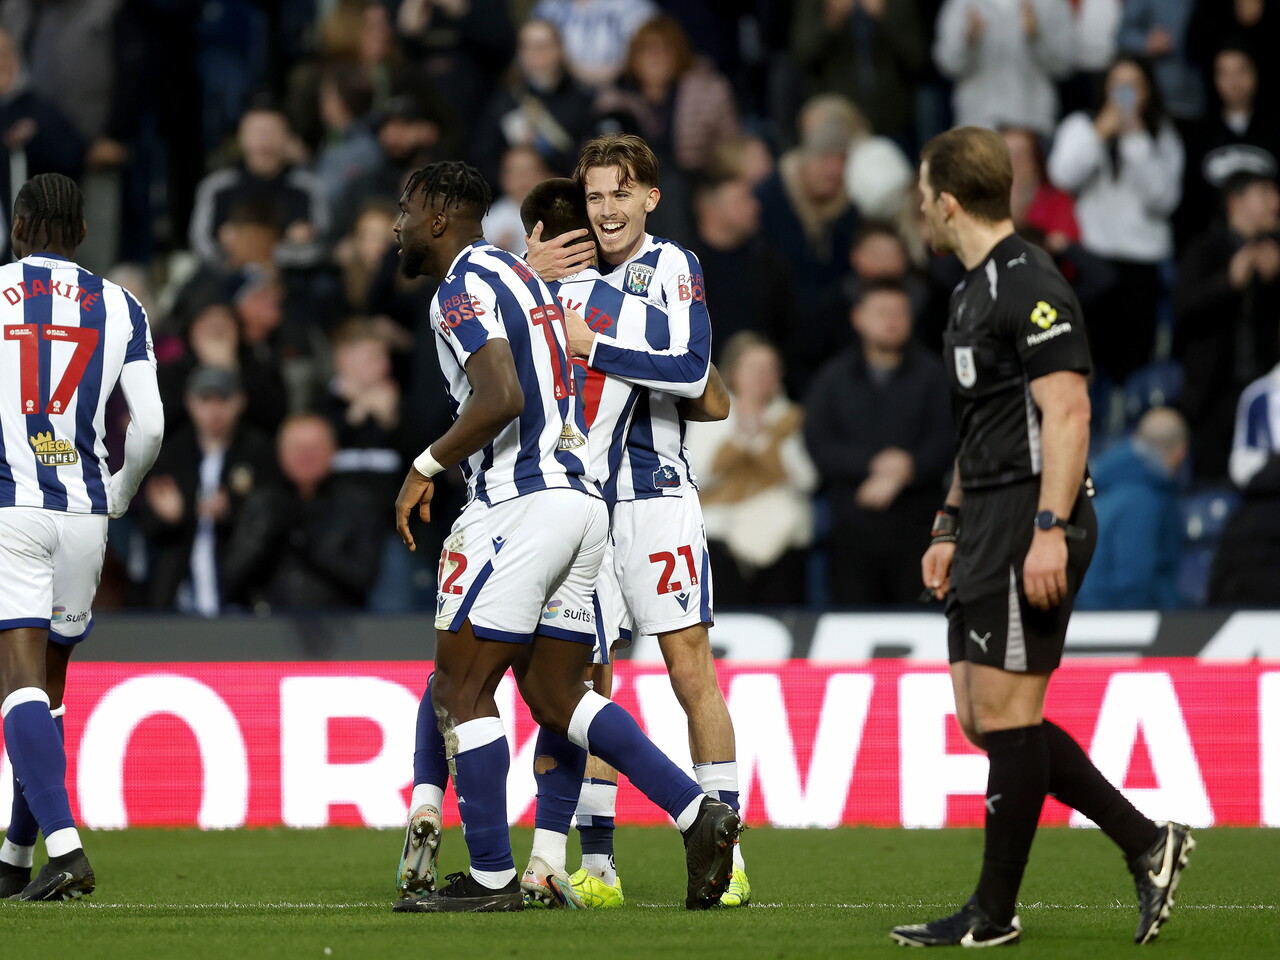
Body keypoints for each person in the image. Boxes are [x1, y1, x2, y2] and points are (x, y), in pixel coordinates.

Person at [389, 160, 739, 913]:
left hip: (520, 501)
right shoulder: (547, 289)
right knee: (557, 692)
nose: (397, 224)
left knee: (459, 684)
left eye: (406, 210)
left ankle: (490, 876)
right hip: (588, 504)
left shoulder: (472, 285)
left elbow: (502, 395)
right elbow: (711, 391)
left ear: (443, 218)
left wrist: (423, 466)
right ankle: (695, 811)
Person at [890, 127, 1192, 947]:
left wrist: (1050, 530)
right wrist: (949, 522)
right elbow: (982, 428)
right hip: (983, 515)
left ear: (947, 200)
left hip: (1032, 514)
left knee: (1008, 715)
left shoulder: (1031, 282)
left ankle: (992, 913)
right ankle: (1147, 839)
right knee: (983, 720)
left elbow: (1070, 412)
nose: (919, 204)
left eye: (924, 191)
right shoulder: (966, 292)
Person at [524, 134, 750, 908]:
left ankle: (731, 852)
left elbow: (696, 374)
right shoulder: (559, 282)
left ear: (650, 198)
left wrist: (598, 344)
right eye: (595, 196)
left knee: (690, 670)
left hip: (655, 498)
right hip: (581, 504)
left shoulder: (672, 267)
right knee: (589, 679)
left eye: (622, 193)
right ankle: (600, 868)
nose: (608, 208)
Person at [0, 173, 164, 900]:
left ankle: (64, 851)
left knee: (16, 682)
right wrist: (118, 494)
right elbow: (152, 425)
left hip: (13, 505)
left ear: (19, 224)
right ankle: (13, 855)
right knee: (50, 686)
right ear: (82, 235)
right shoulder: (122, 306)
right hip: (85, 516)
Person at [804, 278, 953, 606]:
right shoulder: (832, 377)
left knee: (919, 627)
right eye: (882, 312)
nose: (892, 320)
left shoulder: (933, 374)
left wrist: (908, 468)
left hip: (919, 526)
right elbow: (818, 444)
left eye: (900, 312)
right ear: (858, 318)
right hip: (851, 526)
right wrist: (873, 465)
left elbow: (948, 438)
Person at [1047, 54, 1184, 386]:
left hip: (1143, 262)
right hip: (1093, 259)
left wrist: (1136, 138)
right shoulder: (1082, 124)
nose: (1125, 93)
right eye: (1118, 85)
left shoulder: (1161, 134)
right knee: (1087, 360)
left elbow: (1164, 200)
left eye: (1134, 85)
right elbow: (1063, 176)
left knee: (1135, 362)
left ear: (1148, 91)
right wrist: (1099, 134)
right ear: (1105, 87)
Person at [686, 332, 815, 607]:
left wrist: (766, 442)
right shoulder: (710, 414)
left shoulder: (788, 417)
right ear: (734, 372)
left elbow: (808, 480)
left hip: (783, 540)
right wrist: (739, 440)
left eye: (770, 369)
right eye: (754, 368)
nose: (763, 376)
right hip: (721, 542)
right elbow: (694, 475)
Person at [136, 367, 276, 613]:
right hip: (179, 592)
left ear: (240, 402)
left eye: (223, 400)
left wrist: (232, 511)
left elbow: (271, 519)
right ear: (189, 402)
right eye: (205, 400)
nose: (214, 411)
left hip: (242, 594)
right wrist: (169, 518)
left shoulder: (258, 451)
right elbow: (147, 526)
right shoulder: (171, 453)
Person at [1174, 170, 1280, 480]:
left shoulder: (1275, 256)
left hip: (1265, 391)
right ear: (1235, 202)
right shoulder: (1204, 249)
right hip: (1211, 399)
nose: (1276, 204)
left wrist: (1274, 283)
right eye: (1265, 194)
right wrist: (1228, 282)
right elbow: (1184, 308)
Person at [221, 413, 383, 611]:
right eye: (297, 447)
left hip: (341, 625)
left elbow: (364, 577)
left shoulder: (358, 503)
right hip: (267, 626)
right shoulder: (263, 503)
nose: (306, 455)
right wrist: (266, 538)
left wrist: (309, 545)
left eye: (315, 447)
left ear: (334, 450)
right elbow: (232, 577)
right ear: (280, 452)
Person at [1076, 407, 1188, 610]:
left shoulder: (1105, 485)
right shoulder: (1143, 500)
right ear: (1181, 453)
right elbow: (1134, 578)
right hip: (1123, 625)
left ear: (1136, 439)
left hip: (1089, 616)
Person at [932, 0, 1075, 136]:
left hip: (1031, 122)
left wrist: (1036, 37)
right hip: (976, 122)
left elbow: (1064, 67)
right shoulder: (961, 4)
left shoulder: (1049, 4)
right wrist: (968, 41)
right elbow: (946, 65)